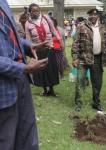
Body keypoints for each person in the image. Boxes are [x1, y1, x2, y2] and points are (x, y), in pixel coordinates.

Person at [0, 0, 48, 149]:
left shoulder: (3, 3)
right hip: (4, 89)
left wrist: (29, 46)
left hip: (21, 79)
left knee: (27, 134)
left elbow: (10, 35)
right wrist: (23, 68)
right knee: (6, 140)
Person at [72, 8, 106, 112]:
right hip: (83, 58)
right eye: (91, 15)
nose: (93, 16)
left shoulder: (103, 27)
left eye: (95, 15)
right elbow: (75, 43)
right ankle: (78, 104)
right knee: (80, 82)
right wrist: (75, 57)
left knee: (97, 83)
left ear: (98, 16)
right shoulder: (81, 26)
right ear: (88, 16)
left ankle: (96, 103)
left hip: (98, 59)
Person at [25, 3, 60, 97]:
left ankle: (52, 90)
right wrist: (30, 48)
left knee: (51, 69)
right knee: (41, 70)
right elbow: (28, 38)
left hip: (49, 48)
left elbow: (53, 29)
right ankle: (45, 90)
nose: (36, 13)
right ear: (30, 12)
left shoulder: (45, 18)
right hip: (38, 50)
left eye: (37, 10)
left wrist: (59, 38)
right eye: (33, 11)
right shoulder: (28, 23)